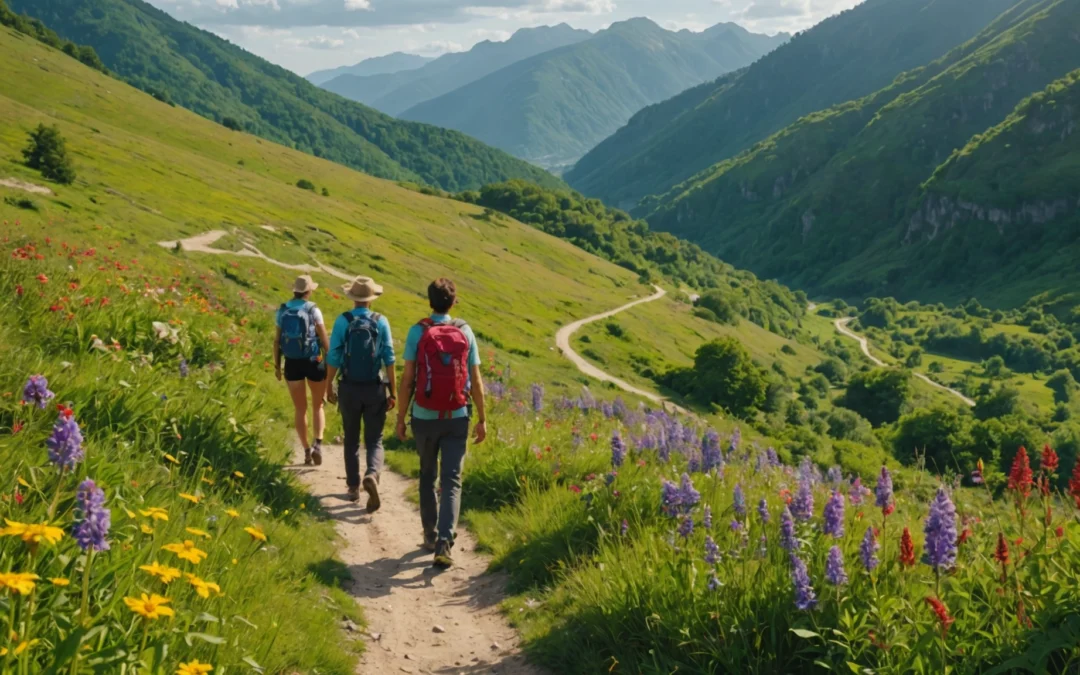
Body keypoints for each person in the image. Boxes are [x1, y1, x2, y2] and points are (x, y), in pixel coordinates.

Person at [396, 278, 487, 569]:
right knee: (452, 481)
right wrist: (483, 418)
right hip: (458, 416)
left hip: (423, 416)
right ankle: (445, 543)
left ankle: (430, 534)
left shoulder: (417, 332)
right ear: (454, 301)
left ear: (430, 301)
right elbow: (477, 381)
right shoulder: (465, 331)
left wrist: (400, 418)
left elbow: (408, 379)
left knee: (426, 475)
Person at [326, 276, 397, 508]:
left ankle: (353, 487)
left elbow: (334, 356)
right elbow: (389, 359)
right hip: (374, 388)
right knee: (375, 439)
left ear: (353, 298)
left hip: (348, 387)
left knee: (351, 440)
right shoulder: (381, 321)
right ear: (371, 299)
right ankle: (372, 474)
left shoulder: (343, 321)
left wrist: (329, 384)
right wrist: (392, 392)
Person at [274, 275, 330, 466]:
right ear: (309, 291)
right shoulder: (313, 309)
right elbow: (324, 339)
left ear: (294, 290)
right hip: (314, 360)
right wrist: (330, 361)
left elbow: (276, 340)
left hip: (292, 362)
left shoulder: (283, 310)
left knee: (300, 408)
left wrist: (277, 366)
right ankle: (318, 445)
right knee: (318, 405)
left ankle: (306, 451)